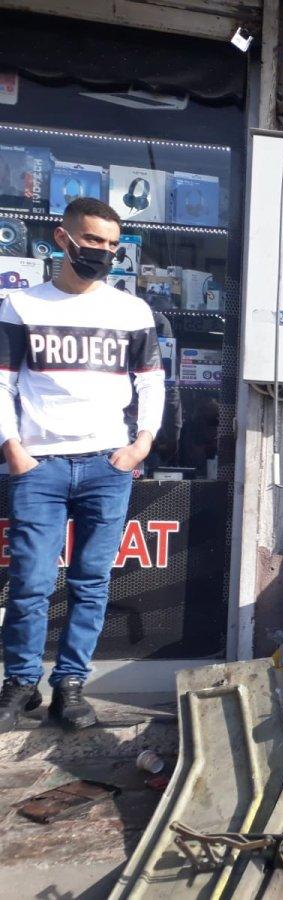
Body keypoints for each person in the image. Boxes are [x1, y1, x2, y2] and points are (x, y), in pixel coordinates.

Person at [0, 197, 164, 731]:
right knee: (30, 581)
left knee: (91, 582)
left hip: (105, 464)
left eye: (113, 245)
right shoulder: (22, 307)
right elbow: (3, 381)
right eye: (93, 240)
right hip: (39, 465)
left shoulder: (131, 311)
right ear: (62, 238)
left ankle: (70, 686)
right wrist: (13, 449)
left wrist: (140, 445)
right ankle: (21, 685)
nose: (103, 253)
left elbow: (151, 382)